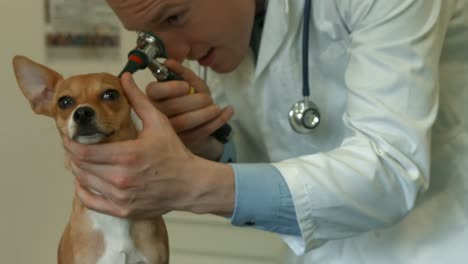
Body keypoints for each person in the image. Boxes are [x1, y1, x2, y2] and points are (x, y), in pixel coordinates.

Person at [63, 0, 468, 263]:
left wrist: (196, 185)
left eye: (174, 17)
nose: (177, 51)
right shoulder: (222, 35)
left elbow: (390, 169)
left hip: (439, 244)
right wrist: (214, 145)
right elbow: (292, 155)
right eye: (153, 37)